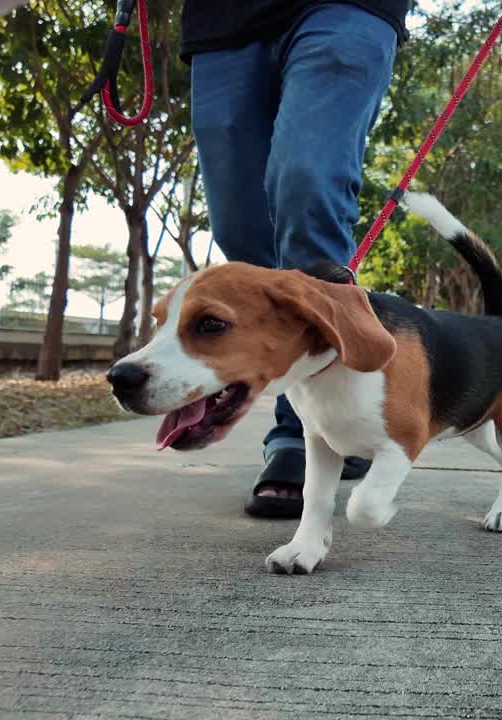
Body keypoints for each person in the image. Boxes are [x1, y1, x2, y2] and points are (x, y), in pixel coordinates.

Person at [181, 1, 409, 518]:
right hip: (223, 21)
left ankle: (306, 431)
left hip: (350, 8)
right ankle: (314, 416)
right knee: (240, 228)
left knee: (308, 186)